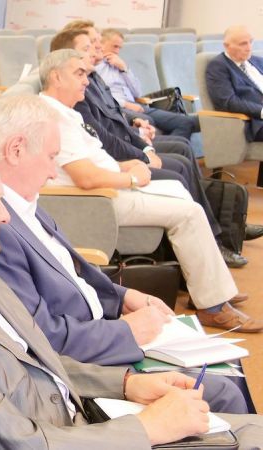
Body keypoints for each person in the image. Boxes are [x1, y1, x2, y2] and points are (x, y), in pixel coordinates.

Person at [0, 131, 259, 449]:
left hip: (82, 409)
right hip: (73, 433)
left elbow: (39, 361)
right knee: (251, 432)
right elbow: (15, 441)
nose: (6, 215)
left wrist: (127, 383)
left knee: (235, 409)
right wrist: (147, 428)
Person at [28, 49, 263, 335]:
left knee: (178, 187)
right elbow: (86, 177)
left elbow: (92, 160)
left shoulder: (66, 112)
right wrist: (130, 177)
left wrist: (126, 165)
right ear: (56, 77)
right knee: (188, 213)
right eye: (79, 74)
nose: (86, 81)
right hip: (97, 201)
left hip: (108, 187)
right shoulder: (54, 118)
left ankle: (207, 287)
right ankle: (213, 307)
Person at [54, 27, 254, 268]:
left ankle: (217, 232)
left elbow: (116, 115)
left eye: (96, 43)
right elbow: (104, 137)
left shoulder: (92, 79)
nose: (97, 48)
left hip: (124, 146)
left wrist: (140, 139)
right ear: (67, 57)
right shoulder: (76, 94)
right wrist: (142, 155)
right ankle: (210, 239)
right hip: (115, 163)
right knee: (178, 167)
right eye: (88, 46)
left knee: (181, 150)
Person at [91, 24, 198, 139]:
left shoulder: (119, 64)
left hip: (137, 105)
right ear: (102, 44)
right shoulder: (96, 68)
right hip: (119, 108)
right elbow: (100, 96)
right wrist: (125, 104)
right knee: (151, 121)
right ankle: (170, 147)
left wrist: (124, 69)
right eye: (114, 46)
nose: (117, 51)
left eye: (119, 48)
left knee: (187, 122)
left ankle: (171, 147)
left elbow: (137, 92)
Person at [206, 25, 263, 142]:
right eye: (243, 44)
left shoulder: (258, 61)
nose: (249, 48)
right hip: (255, 121)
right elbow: (228, 102)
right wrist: (261, 111)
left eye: (250, 42)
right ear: (227, 46)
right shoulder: (218, 66)